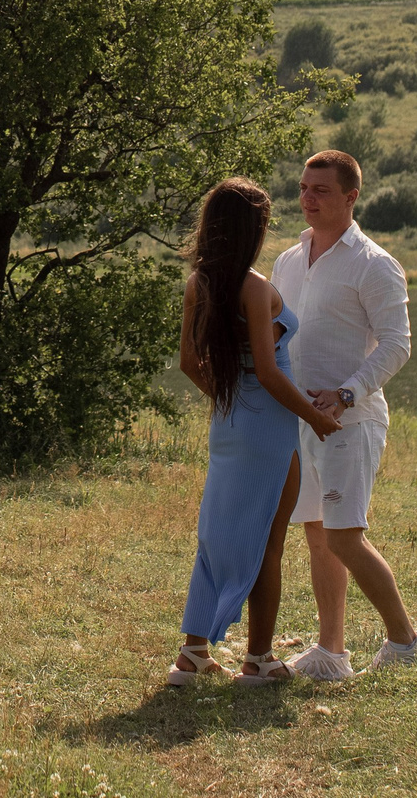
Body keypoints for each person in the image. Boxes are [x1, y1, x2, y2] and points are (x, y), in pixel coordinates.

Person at [168, 176, 349, 686]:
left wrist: (229, 399)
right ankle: (259, 659)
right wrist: (315, 416)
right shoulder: (254, 288)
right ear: (253, 228)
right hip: (269, 428)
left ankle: (193, 654)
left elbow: (188, 363)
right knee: (269, 543)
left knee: (216, 534)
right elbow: (269, 373)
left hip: (228, 423)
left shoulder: (200, 283)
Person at [270, 149, 417, 680]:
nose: (308, 198)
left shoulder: (374, 263)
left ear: (351, 196)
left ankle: (407, 643)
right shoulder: (288, 260)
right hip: (299, 418)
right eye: (303, 188)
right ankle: (331, 652)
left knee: (344, 535)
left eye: (321, 190)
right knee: (318, 533)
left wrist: (346, 394)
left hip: (352, 419)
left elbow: (397, 344)